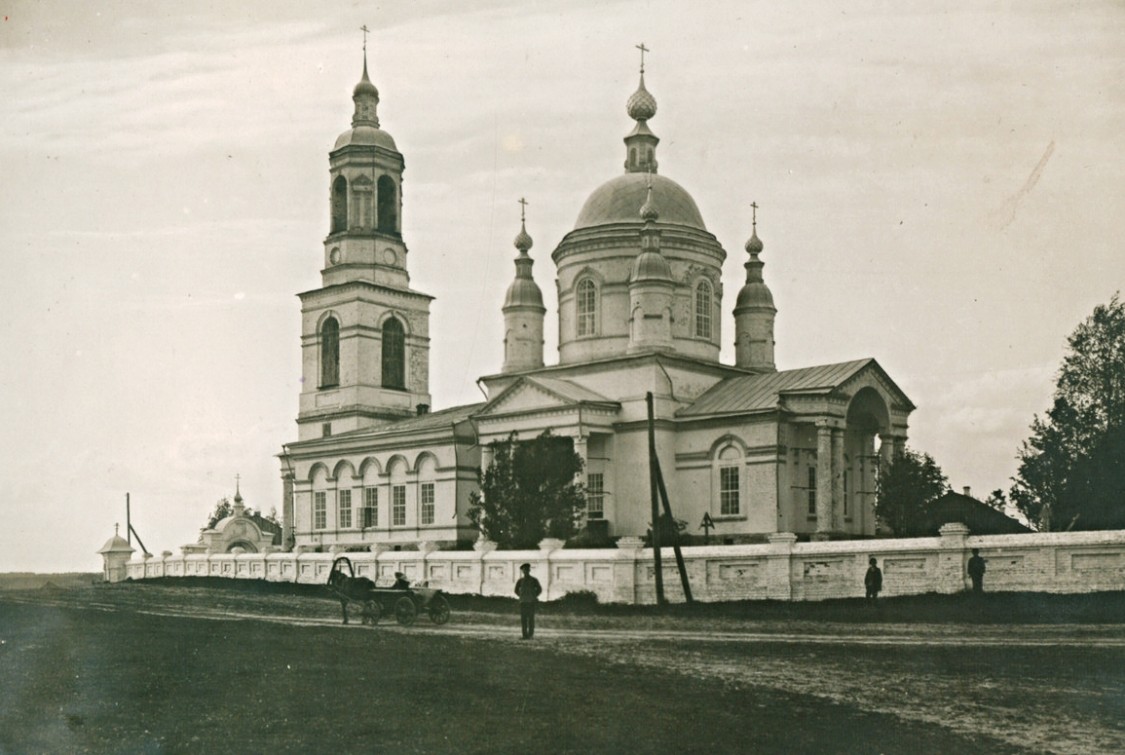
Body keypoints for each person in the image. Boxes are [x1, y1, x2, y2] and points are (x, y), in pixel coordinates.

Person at [514, 563, 542, 639]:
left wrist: (534, 596)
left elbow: (539, 589)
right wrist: (521, 596)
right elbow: (516, 590)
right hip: (523, 602)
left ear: (529, 570)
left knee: (531, 619)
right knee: (523, 619)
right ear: (522, 571)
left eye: (527, 569)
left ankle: (530, 635)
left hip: (531, 602)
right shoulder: (520, 581)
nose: (525, 571)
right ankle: (524, 635)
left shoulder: (534, 580)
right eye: (524, 570)